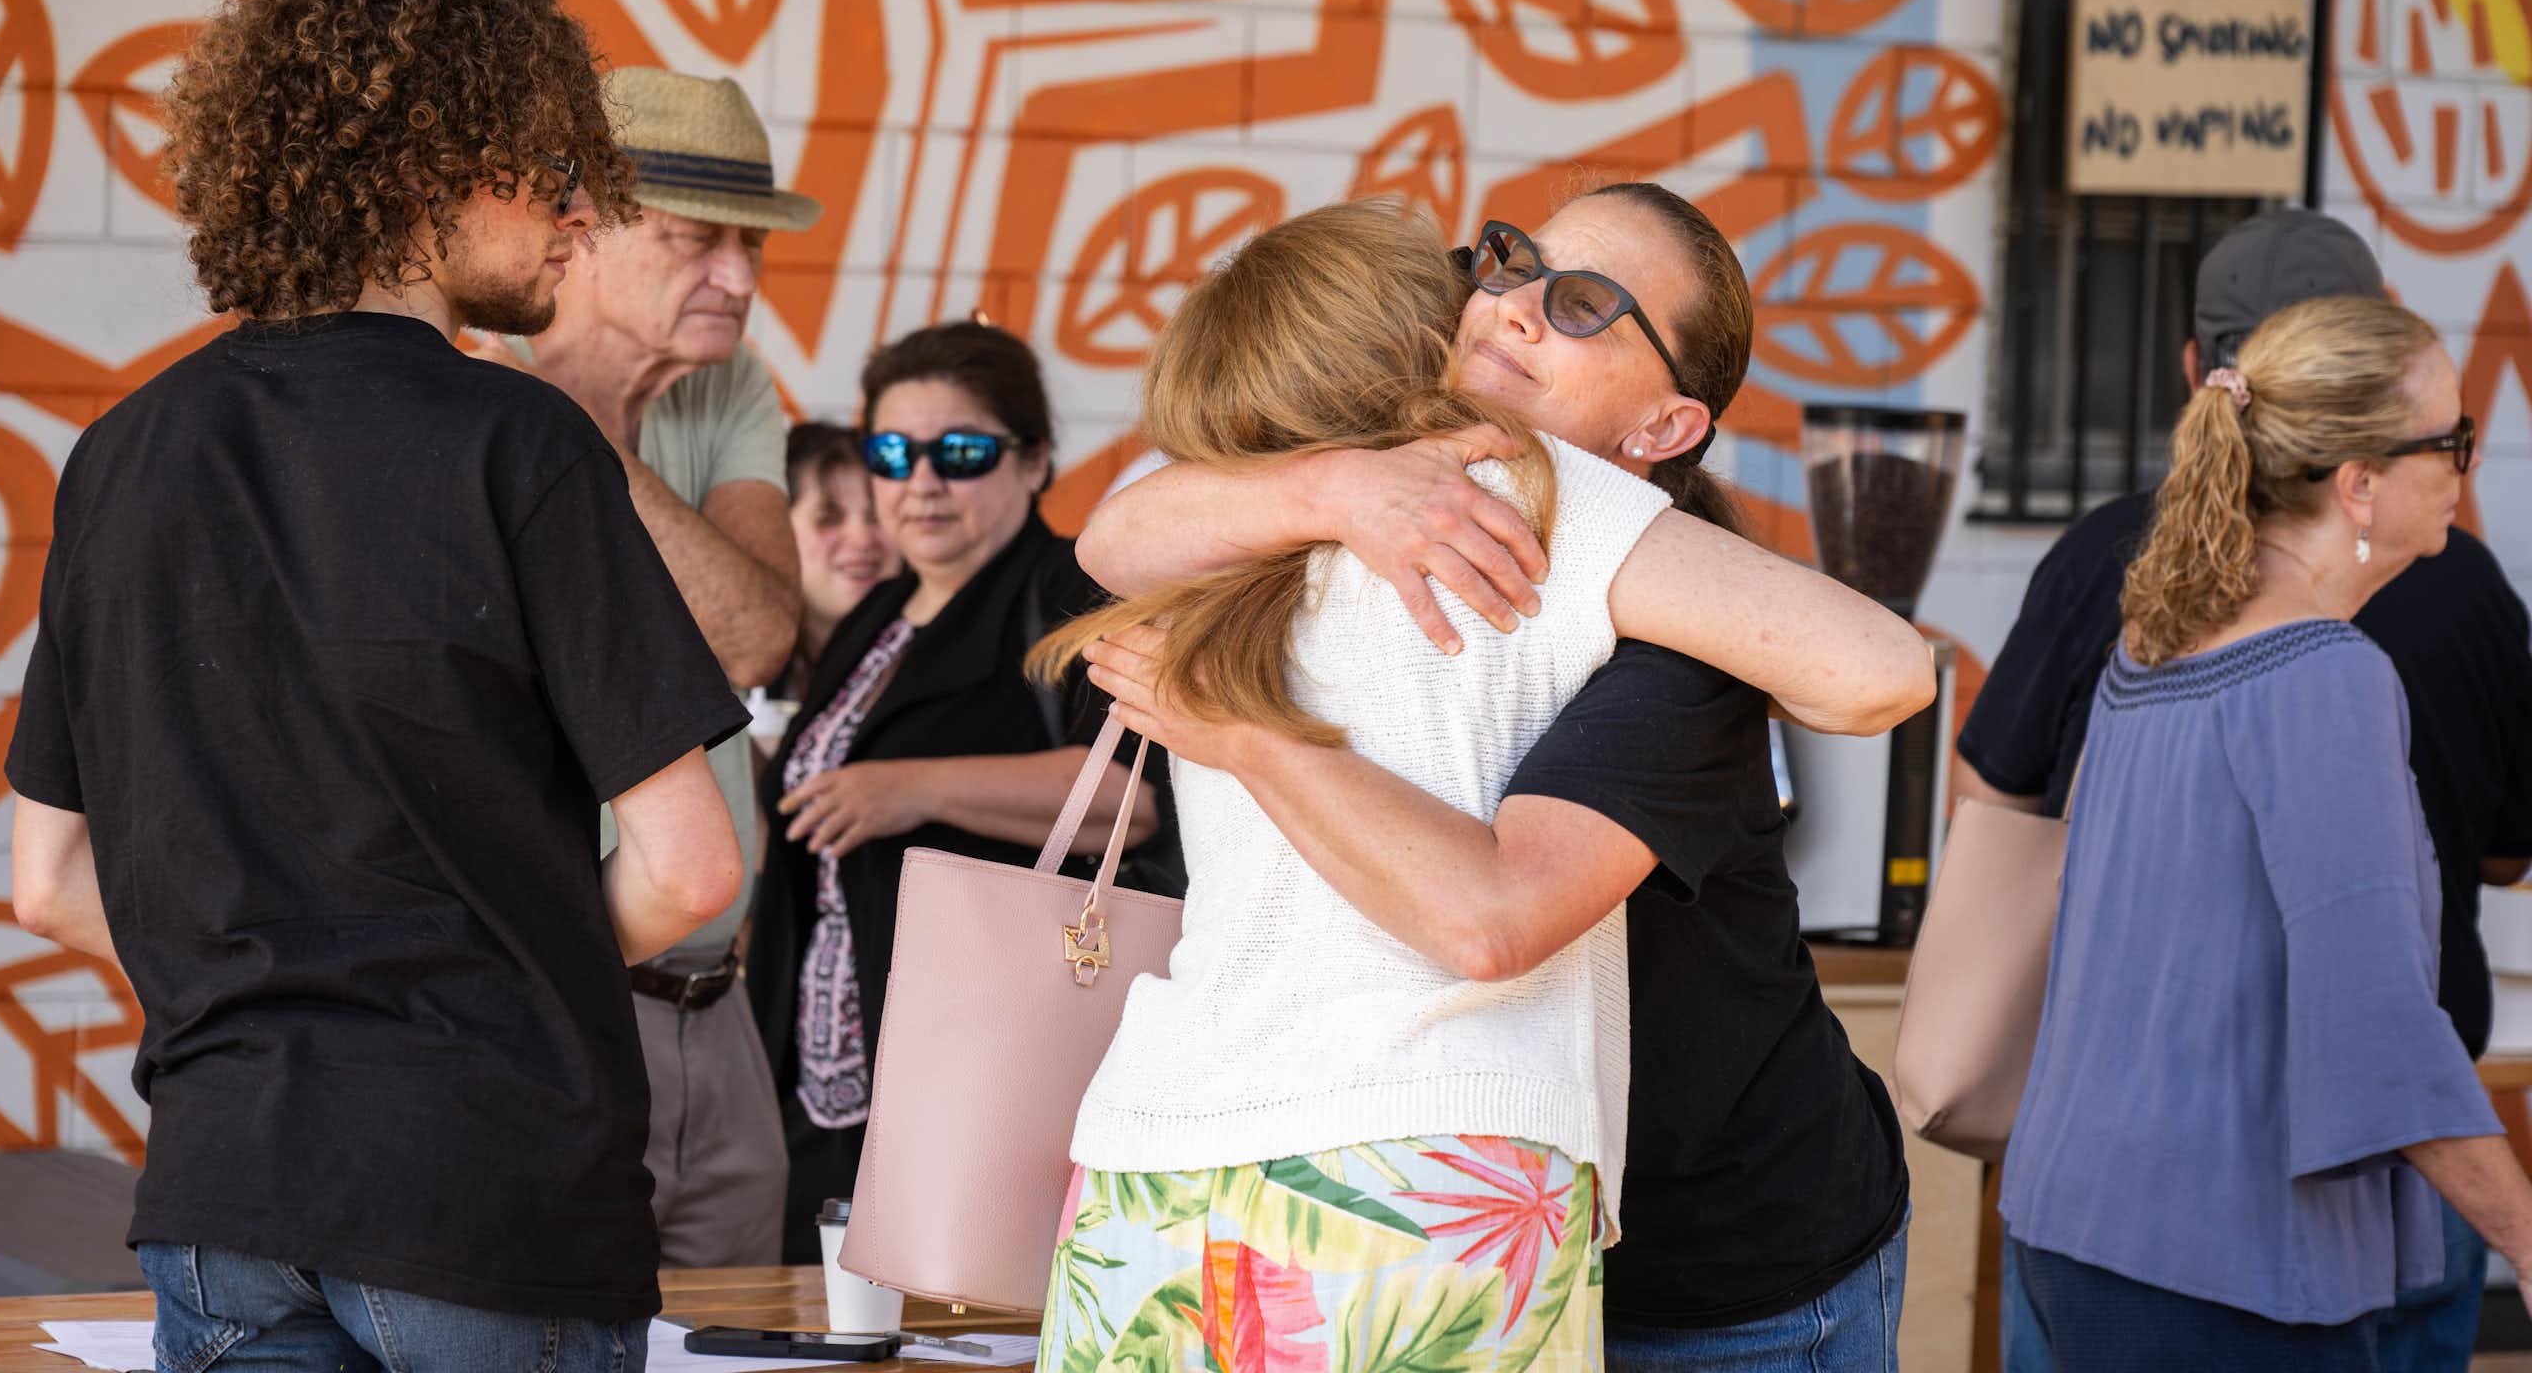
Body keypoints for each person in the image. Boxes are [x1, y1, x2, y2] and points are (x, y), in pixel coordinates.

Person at [5, 0, 747, 1370]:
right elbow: (691, 870)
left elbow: (47, 886)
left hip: (222, 1192)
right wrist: (485, 975)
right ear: (427, 173)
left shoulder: (118, 457)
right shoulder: (517, 443)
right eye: (545, 167)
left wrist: (271, 988)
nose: (580, 210)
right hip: (483, 1187)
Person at [1034, 193, 1930, 1370]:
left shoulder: (1618, 558)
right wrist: (1341, 488)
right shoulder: (1328, 492)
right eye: (1507, 262)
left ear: (1663, 426)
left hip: (1719, 1261)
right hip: (1435, 1182)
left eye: (1583, 305)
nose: (1512, 305)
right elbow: (1110, 533)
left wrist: (1242, 726)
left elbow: (1879, 674)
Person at [1956, 209, 2532, 1372]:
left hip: (2068, 1225)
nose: (2465, 469)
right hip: (2221, 1266)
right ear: (2359, 483)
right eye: (2450, 439)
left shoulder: (2159, 635)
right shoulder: (2326, 678)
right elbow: (2379, 1035)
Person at [473, 65, 813, 1271]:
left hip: (718, 999)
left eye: (751, 245)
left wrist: (575, 445)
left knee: (733, 1338)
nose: (737, 277)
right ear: (586, 232)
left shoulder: (728, 389)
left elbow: (757, 635)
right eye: (693, 242)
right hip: (548, 1003)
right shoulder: (460, 401)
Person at [742, 320, 1166, 1263]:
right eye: (891, 453)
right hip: (824, 1065)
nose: (921, 483)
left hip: (984, 1067)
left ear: (1035, 459)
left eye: (961, 453)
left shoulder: (1071, 592)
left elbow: (1132, 799)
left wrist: (913, 789)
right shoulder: (880, 614)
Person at [780, 422, 897, 699]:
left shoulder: (938, 661)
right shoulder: (732, 676)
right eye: (828, 519)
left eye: (878, 516)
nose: (862, 540)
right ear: (776, 530)